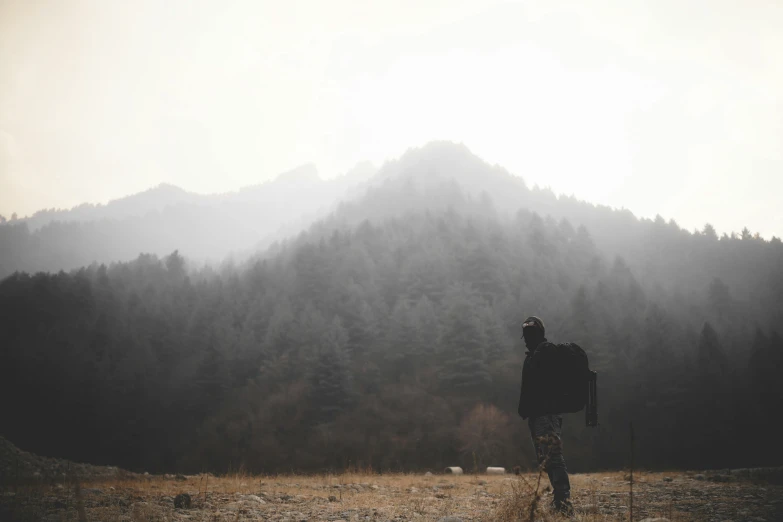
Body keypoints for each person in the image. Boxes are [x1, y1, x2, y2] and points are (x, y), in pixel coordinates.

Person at [517, 316, 574, 516]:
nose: (527, 338)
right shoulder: (534, 354)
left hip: (547, 415)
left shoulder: (547, 351)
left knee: (553, 457)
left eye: (531, 333)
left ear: (540, 333)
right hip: (537, 416)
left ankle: (564, 503)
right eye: (525, 334)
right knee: (546, 459)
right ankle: (560, 502)